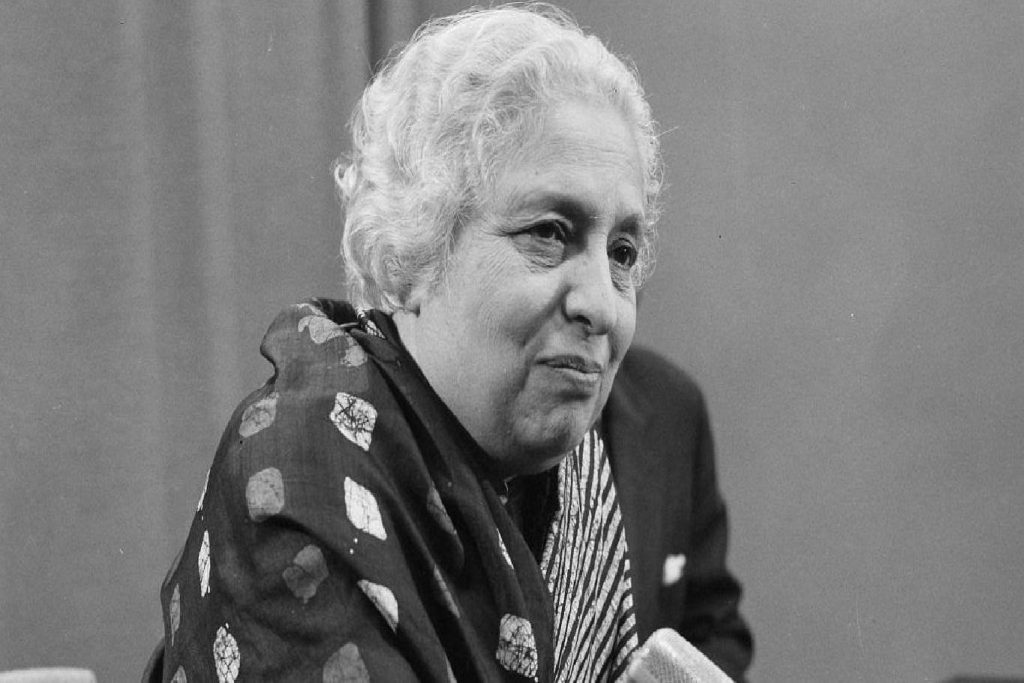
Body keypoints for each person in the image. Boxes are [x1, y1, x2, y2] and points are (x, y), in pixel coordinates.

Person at [147, 4, 751, 681]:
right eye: (548, 233)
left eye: (622, 252)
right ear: (414, 249)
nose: (602, 304)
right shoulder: (300, 474)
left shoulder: (574, 466)